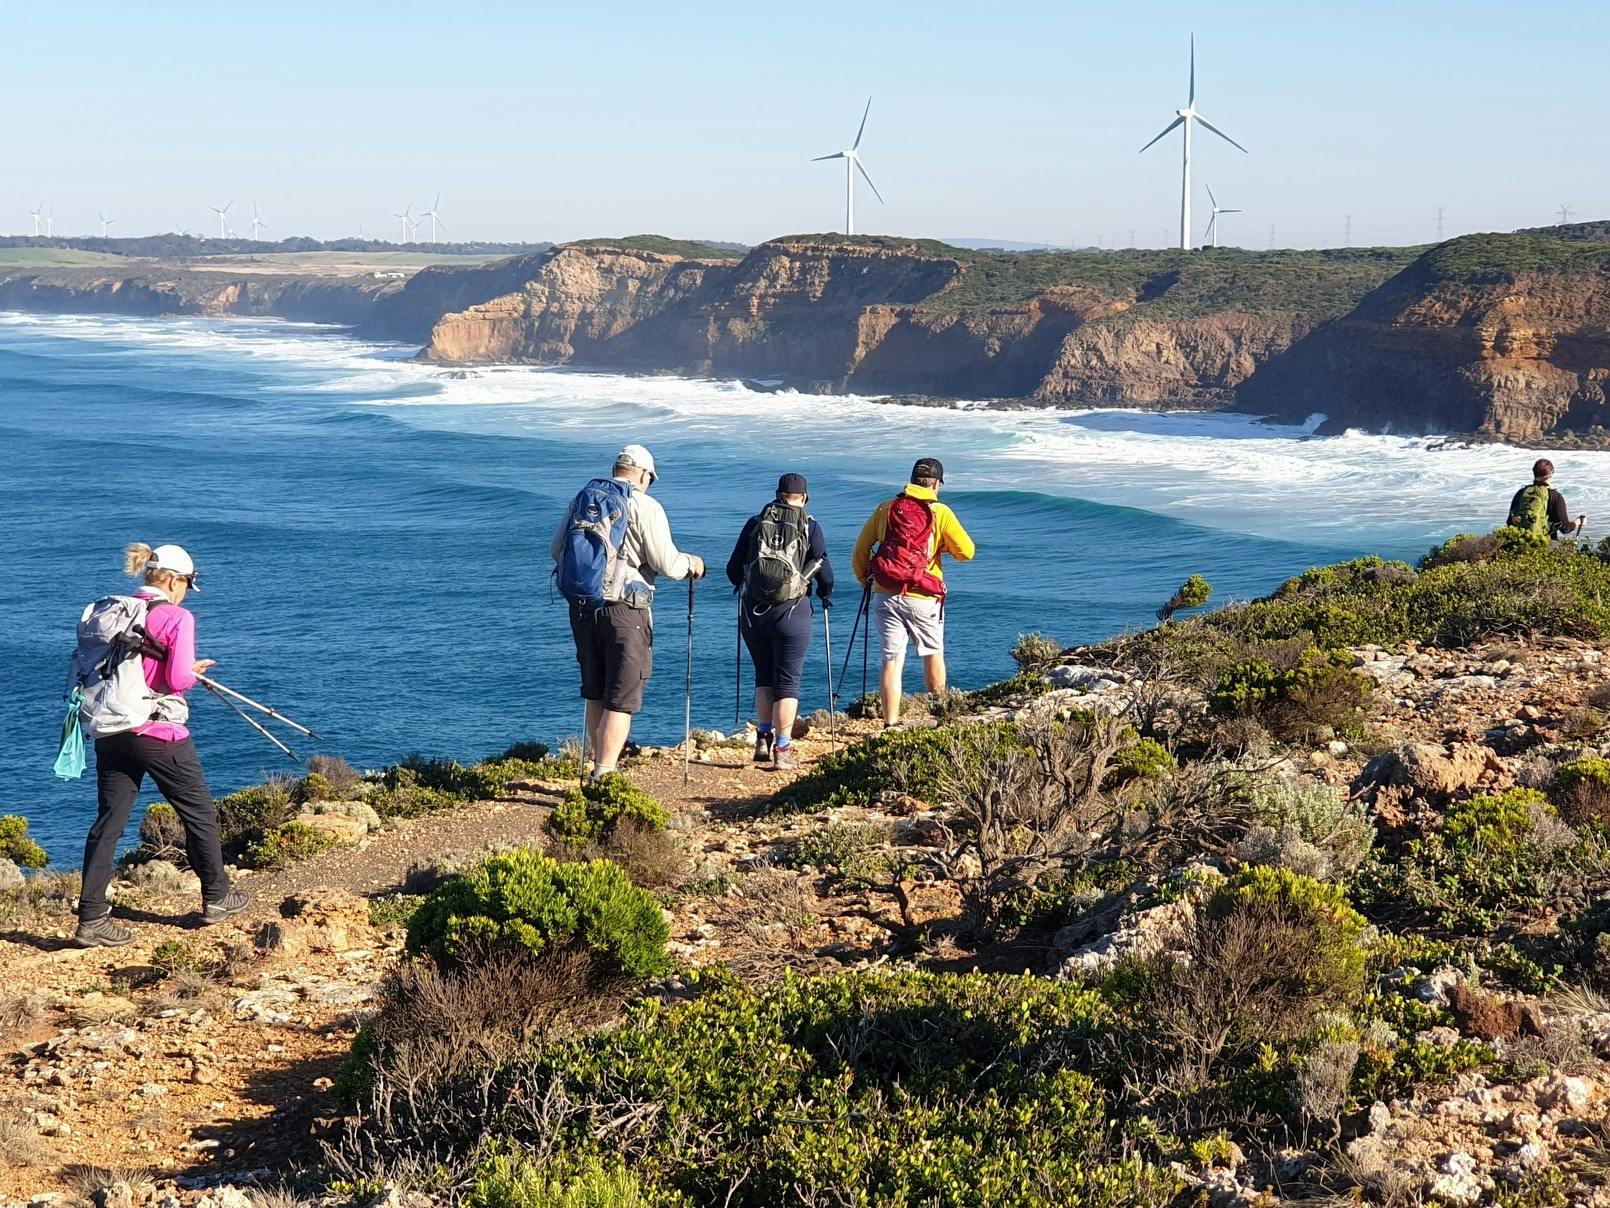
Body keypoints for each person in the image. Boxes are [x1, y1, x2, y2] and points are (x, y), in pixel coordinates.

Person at [75, 543, 249, 948]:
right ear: (173, 579)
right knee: (199, 812)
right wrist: (191, 671)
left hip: (111, 726)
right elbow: (177, 680)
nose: (186, 591)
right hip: (155, 730)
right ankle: (217, 897)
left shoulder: (117, 611)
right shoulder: (176, 616)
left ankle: (91, 918)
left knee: (109, 822)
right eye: (187, 583)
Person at [552, 444, 705, 779]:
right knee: (621, 697)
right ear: (644, 475)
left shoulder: (583, 499)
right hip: (626, 611)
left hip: (583, 607)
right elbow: (667, 563)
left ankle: (599, 766)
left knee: (595, 690)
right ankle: (604, 775)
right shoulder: (647, 506)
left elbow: (556, 550)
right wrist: (692, 564)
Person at [852, 457, 975, 729]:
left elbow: (860, 550)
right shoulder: (940, 512)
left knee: (892, 661)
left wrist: (865, 582)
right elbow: (967, 551)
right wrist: (943, 547)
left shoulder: (886, 507)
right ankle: (940, 715)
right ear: (936, 484)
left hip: (886, 594)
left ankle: (890, 723)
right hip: (924, 595)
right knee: (933, 653)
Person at [726, 473, 835, 771]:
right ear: (805, 497)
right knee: (787, 683)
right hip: (792, 614)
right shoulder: (810, 526)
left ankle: (763, 735)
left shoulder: (755, 523)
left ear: (777, 494)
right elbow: (825, 575)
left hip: (753, 614)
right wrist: (824, 594)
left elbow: (732, 570)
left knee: (763, 675)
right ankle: (783, 750)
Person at [1509, 458, 1586, 539]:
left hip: (1520, 542)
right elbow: (1565, 528)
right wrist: (1578, 522)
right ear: (1550, 474)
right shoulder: (1555, 497)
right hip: (1545, 544)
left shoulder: (1521, 493)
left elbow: (1510, 522)